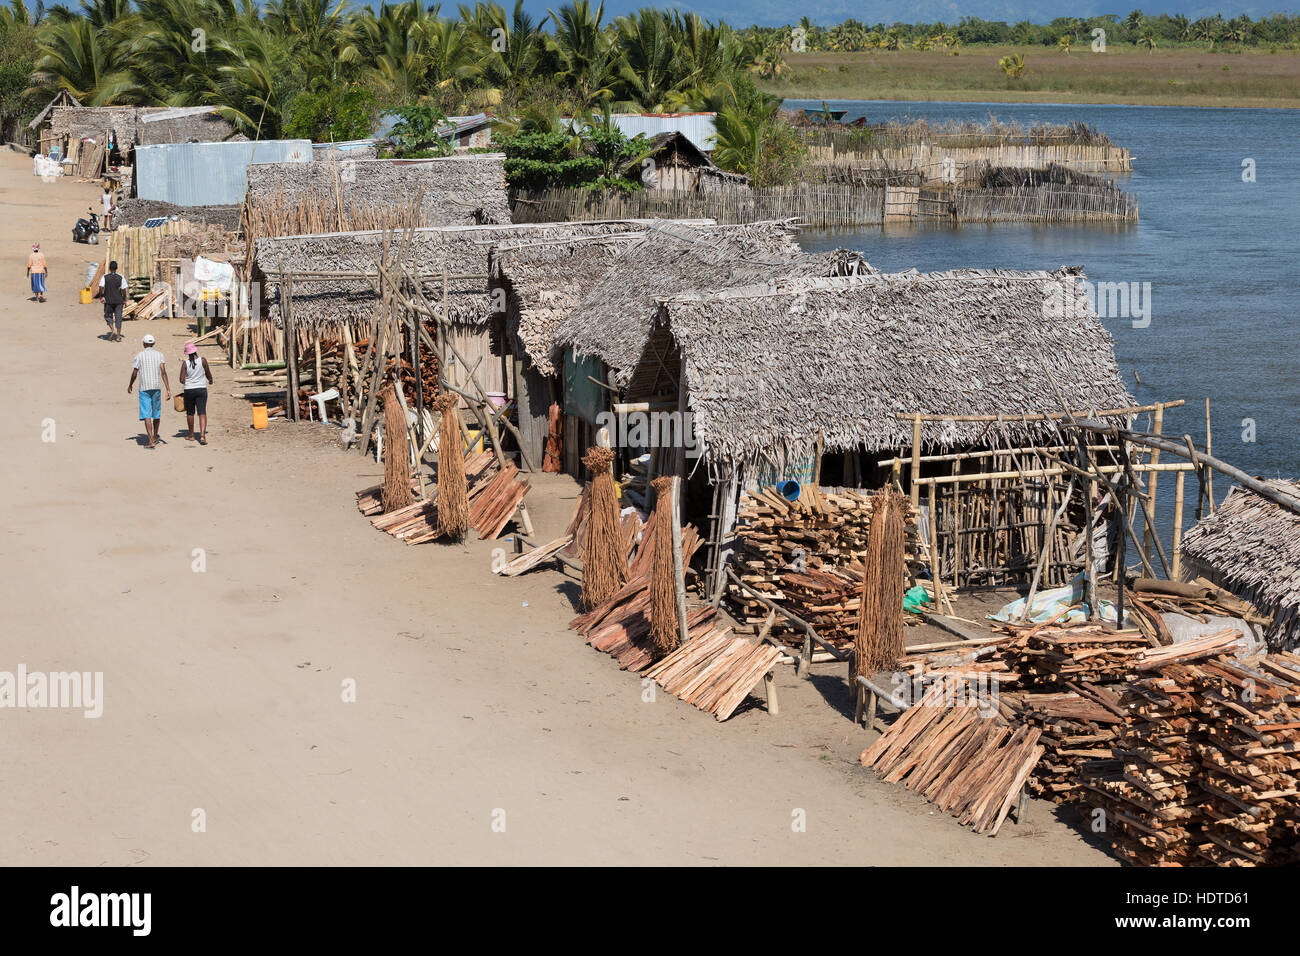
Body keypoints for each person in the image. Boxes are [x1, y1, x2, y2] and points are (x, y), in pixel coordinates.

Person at [127, 334, 171, 449]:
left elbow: (135, 372)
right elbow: (163, 372)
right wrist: (168, 388)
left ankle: (151, 440)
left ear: (143, 344)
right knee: (156, 413)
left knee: (147, 414)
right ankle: (155, 435)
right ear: (153, 344)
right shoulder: (159, 355)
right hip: (156, 387)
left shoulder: (139, 356)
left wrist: (130, 384)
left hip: (144, 388)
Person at [180, 342, 213, 444]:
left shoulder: (185, 363)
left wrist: (189, 382)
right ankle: (202, 436)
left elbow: (181, 379)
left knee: (190, 412)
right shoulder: (202, 360)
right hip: (201, 389)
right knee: (202, 412)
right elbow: (208, 373)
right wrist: (210, 380)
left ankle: (191, 435)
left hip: (189, 390)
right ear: (195, 351)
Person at [100, 260, 126, 341]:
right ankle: (118, 336)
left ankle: (112, 329)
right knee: (118, 318)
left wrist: (101, 297)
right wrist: (124, 299)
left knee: (107, 316)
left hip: (108, 300)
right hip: (119, 301)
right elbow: (124, 289)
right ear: (116, 268)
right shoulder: (121, 277)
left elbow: (101, 287)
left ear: (109, 268)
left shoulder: (105, 277)